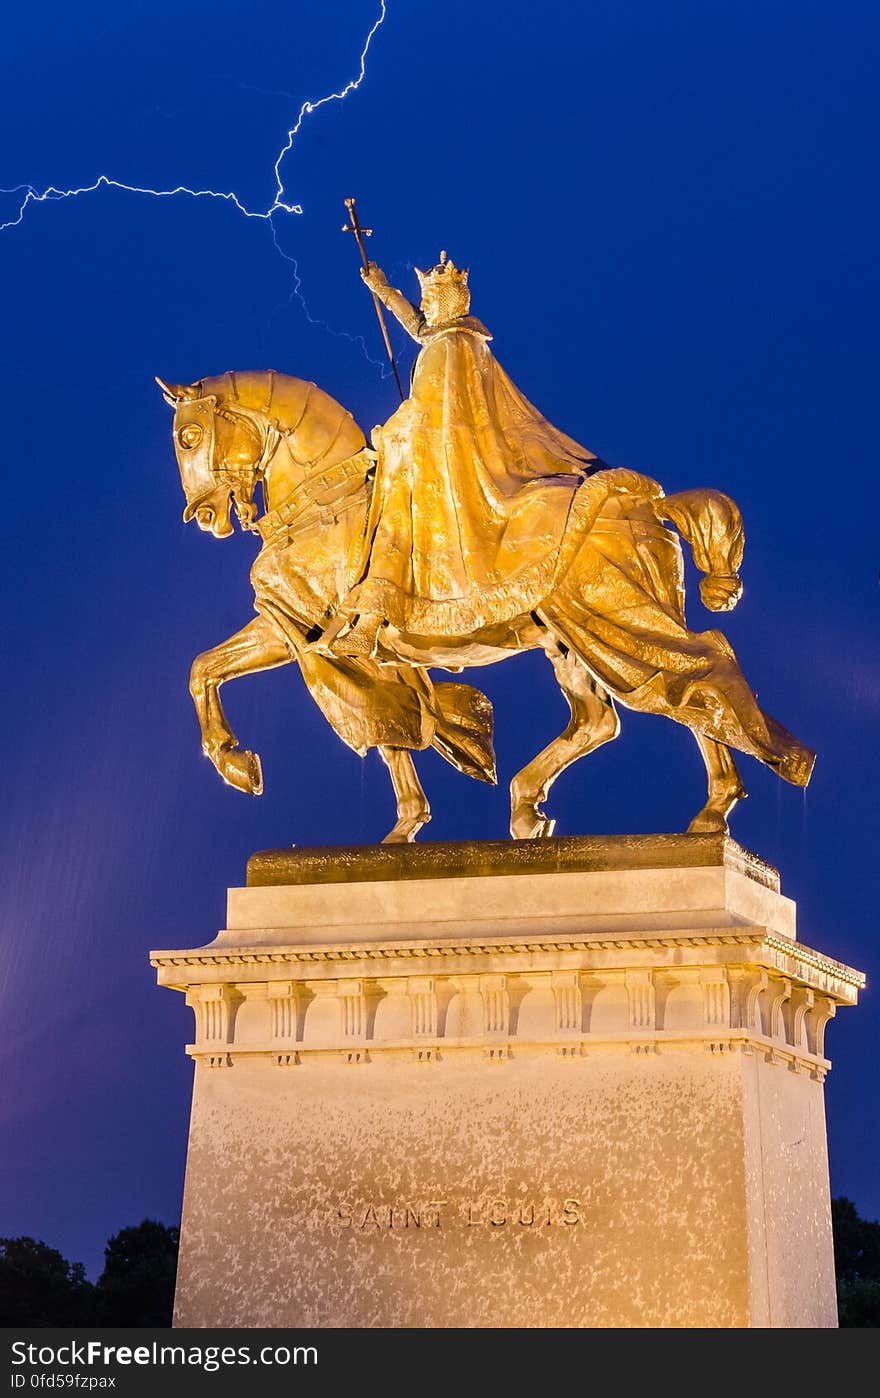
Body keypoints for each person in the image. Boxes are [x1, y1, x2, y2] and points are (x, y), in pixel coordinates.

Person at [326, 253, 600, 657]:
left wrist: (392, 433)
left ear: (444, 307)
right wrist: (384, 290)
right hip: (451, 451)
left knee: (396, 516)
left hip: (442, 459)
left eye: (429, 304)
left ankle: (370, 622)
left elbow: (430, 411)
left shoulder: (448, 347)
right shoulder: (460, 341)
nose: (425, 311)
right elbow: (421, 333)